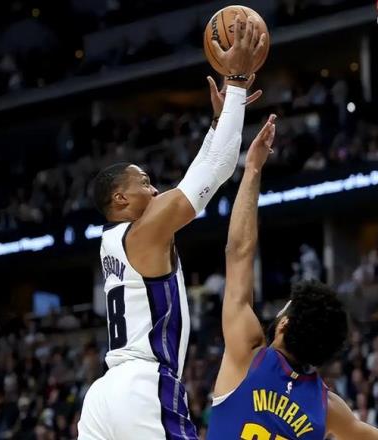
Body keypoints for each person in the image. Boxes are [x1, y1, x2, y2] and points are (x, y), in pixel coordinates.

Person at [78, 15, 267, 440]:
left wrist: (219, 123)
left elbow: (203, 166)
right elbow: (216, 170)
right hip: (142, 387)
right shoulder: (142, 232)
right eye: (144, 182)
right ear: (120, 199)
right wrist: (237, 83)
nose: (154, 188)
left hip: (102, 398)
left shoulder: (113, 242)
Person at [206, 116, 378, 440]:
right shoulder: (327, 406)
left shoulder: (247, 354)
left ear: (283, 324)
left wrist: (252, 169)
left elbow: (238, 252)